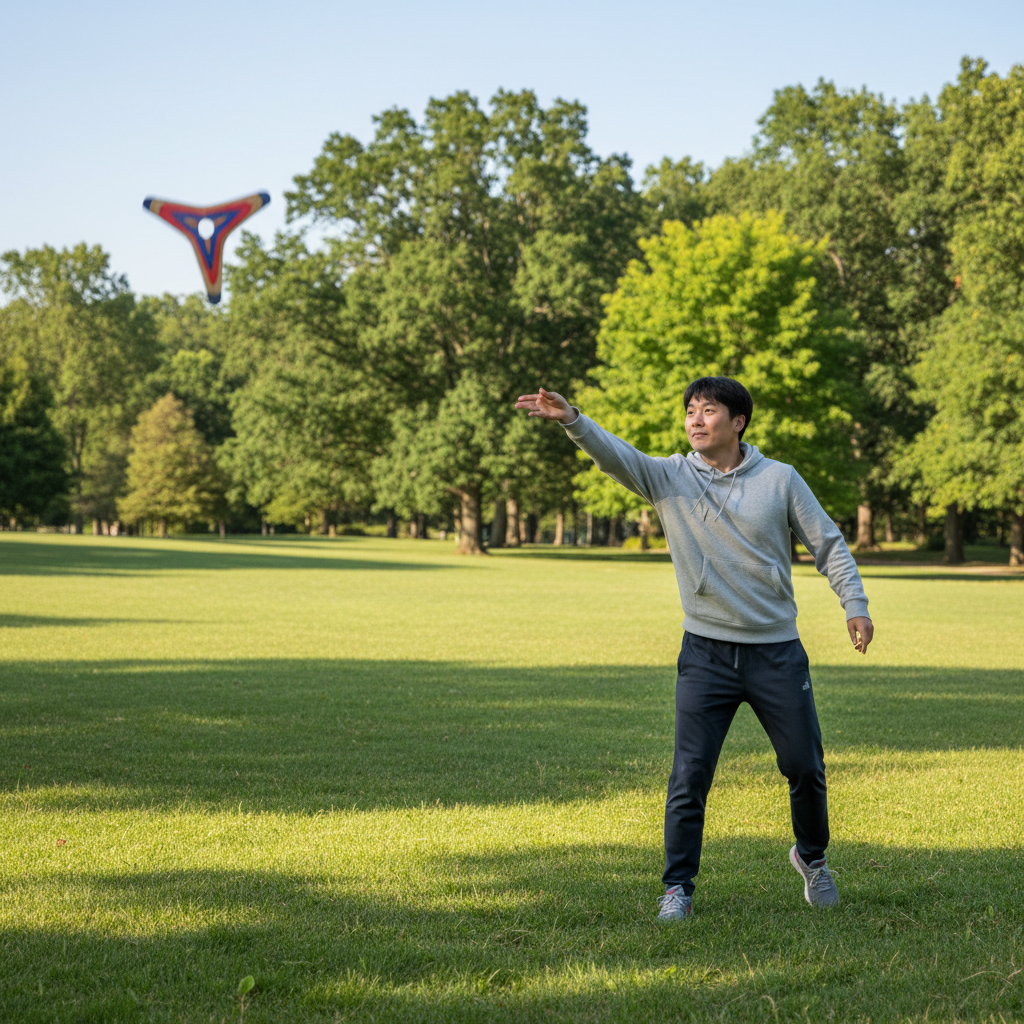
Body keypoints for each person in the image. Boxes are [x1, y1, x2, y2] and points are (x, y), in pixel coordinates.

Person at [514, 377, 873, 921]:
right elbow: (616, 456)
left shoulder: (780, 480)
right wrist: (573, 420)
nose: (696, 420)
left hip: (775, 652)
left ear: (738, 422)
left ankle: (813, 858)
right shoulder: (669, 477)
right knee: (689, 775)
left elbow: (828, 543)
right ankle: (677, 888)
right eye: (690, 411)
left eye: (708, 411)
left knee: (804, 765)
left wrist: (855, 604)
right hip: (705, 653)